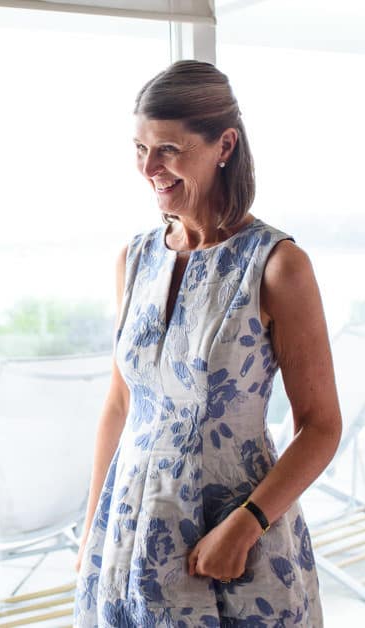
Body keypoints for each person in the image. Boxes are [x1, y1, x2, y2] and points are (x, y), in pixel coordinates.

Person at [73, 60, 342, 627]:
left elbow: (320, 425)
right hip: (126, 542)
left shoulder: (277, 265)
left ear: (224, 144)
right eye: (140, 148)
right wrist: (92, 534)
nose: (149, 168)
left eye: (168, 148)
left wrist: (245, 525)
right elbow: (122, 405)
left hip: (234, 544)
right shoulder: (136, 258)